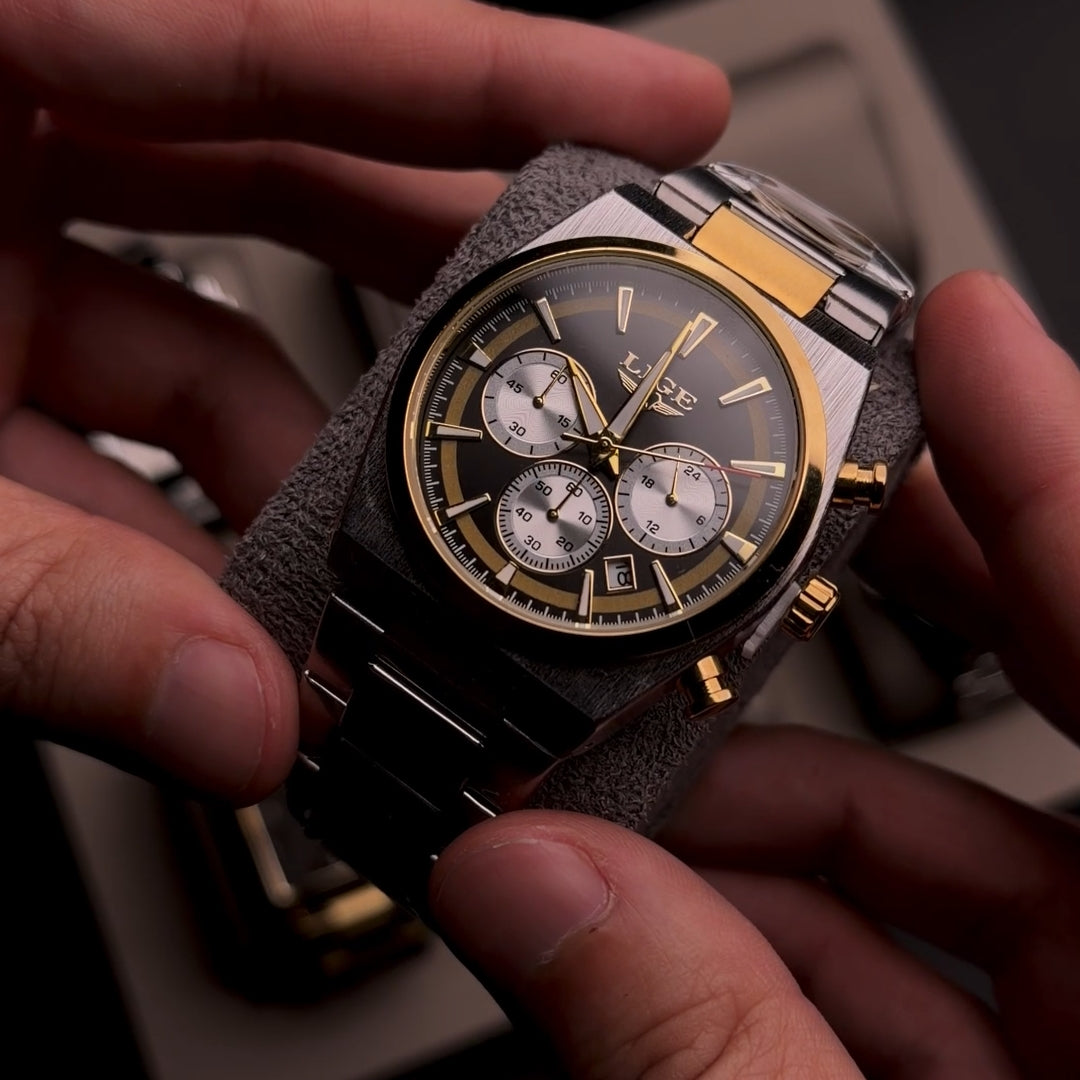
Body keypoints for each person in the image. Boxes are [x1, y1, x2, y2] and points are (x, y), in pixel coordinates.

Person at [2, 1, 1076, 1076]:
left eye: (670, 494)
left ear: (789, 589)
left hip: (548, 688)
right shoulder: (607, 261)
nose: (608, 454)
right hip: (393, 565)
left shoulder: (825, 434)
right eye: (569, 415)